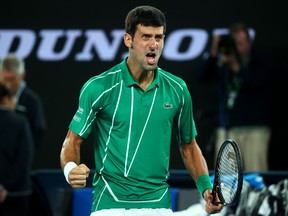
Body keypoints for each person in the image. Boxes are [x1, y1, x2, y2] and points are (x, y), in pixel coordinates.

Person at [60, 5, 223, 216]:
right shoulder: (99, 87)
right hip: (110, 206)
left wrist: (205, 188)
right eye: (146, 37)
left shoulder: (178, 89)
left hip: (159, 205)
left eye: (159, 37)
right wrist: (70, 168)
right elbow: (72, 141)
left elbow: (189, 146)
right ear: (128, 40)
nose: (154, 44)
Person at [198, 22, 273, 172]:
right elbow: (202, 76)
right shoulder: (222, 62)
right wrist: (214, 52)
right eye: (234, 43)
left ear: (249, 43)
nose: (237, 48)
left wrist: (236, 66)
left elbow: (256, 84)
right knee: (225, 176)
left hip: (254, 128)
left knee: (255, 172)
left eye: (241, 43)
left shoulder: (261, 61)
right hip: (227, 126)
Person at [0, 54, 47, 151]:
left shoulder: (32, 101)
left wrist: (25, 151)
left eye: (12, 79)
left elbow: (38, 131)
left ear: (22, 76)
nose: (8, 84)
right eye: (5, 79)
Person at [0, 82, 34, 216]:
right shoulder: (20, 122)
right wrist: (6, 186)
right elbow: (24, 158)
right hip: (16, 194)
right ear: (6, 99)